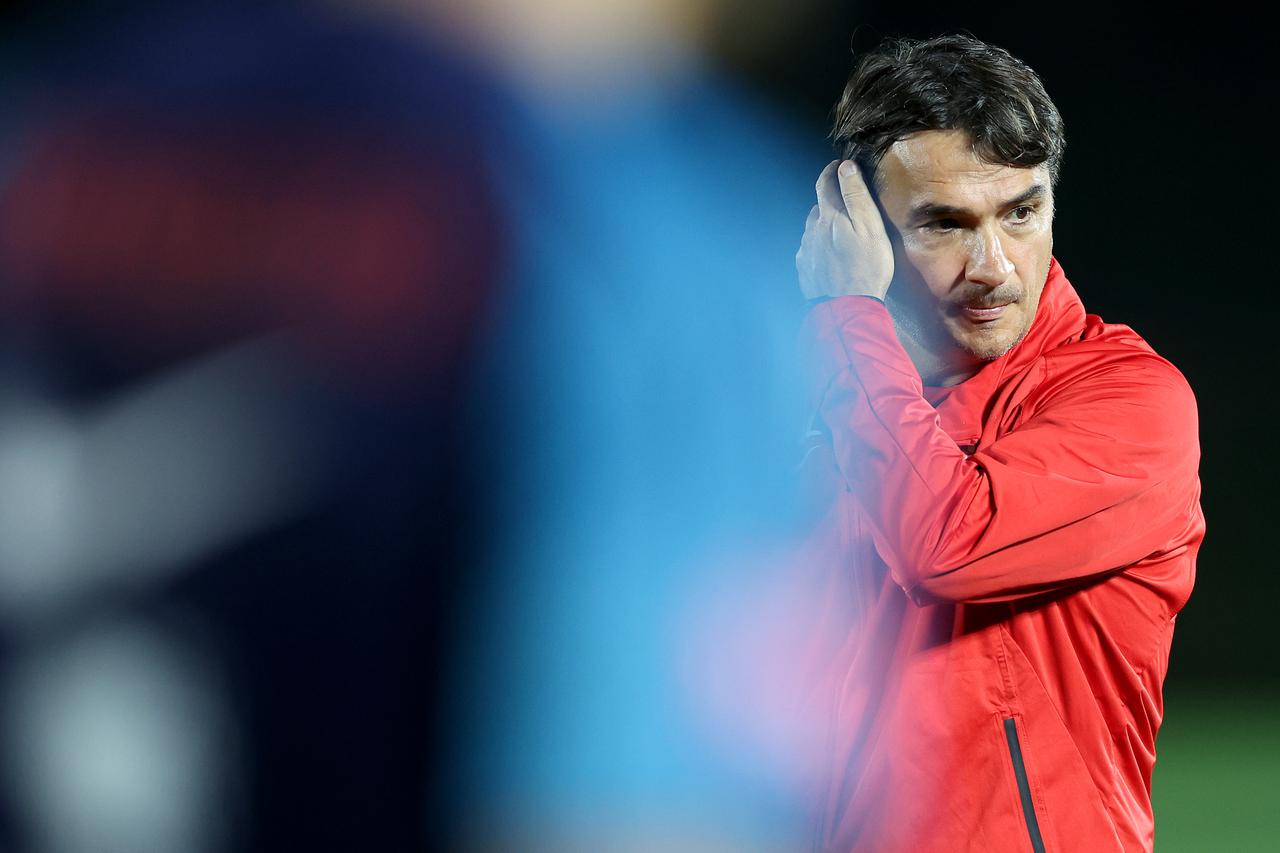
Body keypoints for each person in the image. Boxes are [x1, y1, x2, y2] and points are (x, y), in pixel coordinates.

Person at [793, 35, 1204, 852]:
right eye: (944, 224)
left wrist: (846, 319)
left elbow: (946, 541)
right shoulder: (824, 399)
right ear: (856, 231)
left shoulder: (1131, 401)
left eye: (1021, 212)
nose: (993, 266)